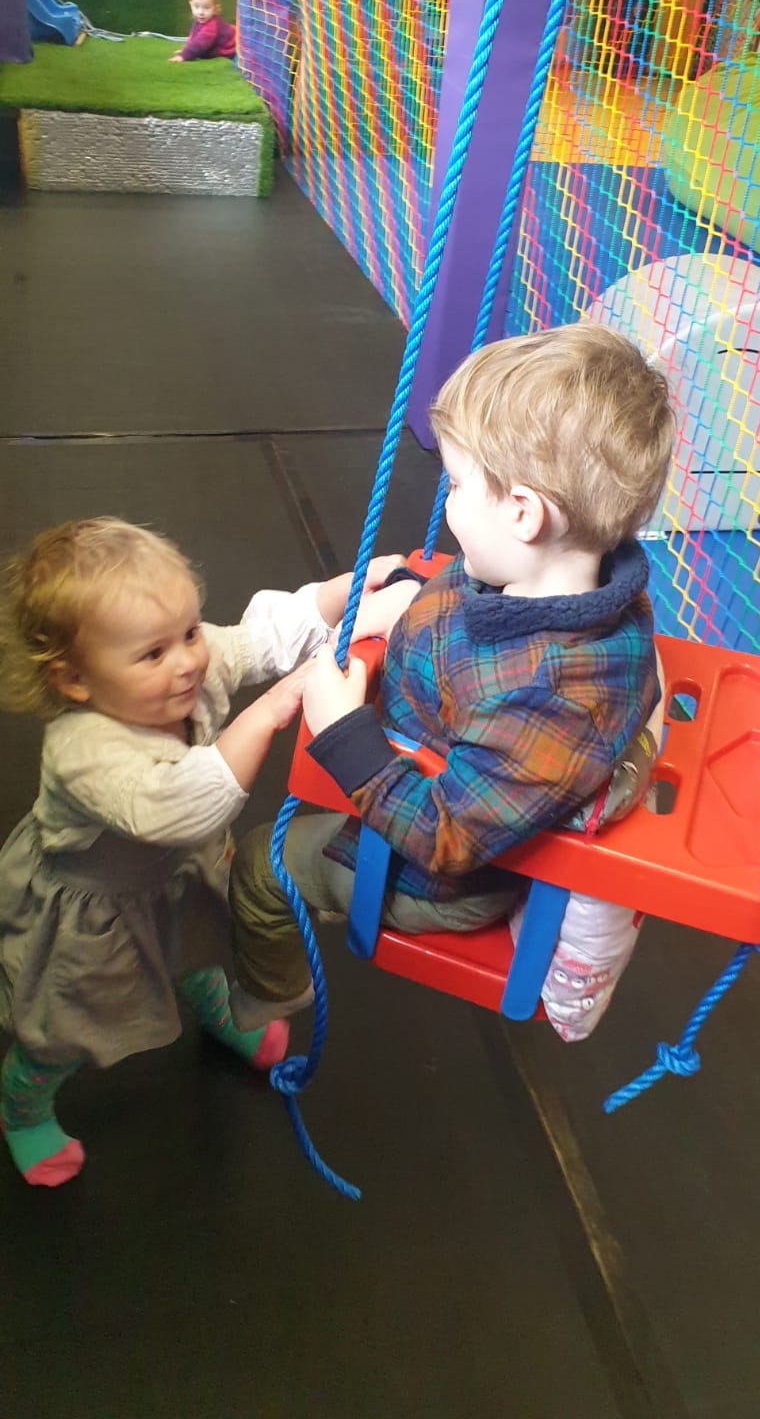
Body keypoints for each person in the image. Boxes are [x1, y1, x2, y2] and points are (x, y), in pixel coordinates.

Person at [227, 323, 675, 1032]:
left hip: (442, 878)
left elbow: (445, 837)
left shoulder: (551, 697)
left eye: (458, 485)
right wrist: (411, 595)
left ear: (523, 513)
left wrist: (344, 735)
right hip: (456, 760)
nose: (447, 503)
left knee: (259, 865)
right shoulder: (583, 582)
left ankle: (262, 1003)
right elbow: (474, 607)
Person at [0, 517, 402, 1186]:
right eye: (153, 653)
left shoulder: (186, 664)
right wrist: (266, 713)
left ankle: (217, 1014)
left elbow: (256, 639)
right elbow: (179, 805)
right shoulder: (82, 750)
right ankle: (23, 1105)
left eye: (188, 632)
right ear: (74, 679)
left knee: (199, 945)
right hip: (95, 917)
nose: (188, 659)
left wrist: (346, 592)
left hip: (179, 877)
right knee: (65, 1028)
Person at [169, 0, 236, 64]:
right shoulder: (199, 20)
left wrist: (185, 55)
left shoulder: (211, 26)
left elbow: (200, 43)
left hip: (233, 46)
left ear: (215, 9)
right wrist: (186, 49)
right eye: (196, 6)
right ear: (191, 5)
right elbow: (194, 36)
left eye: (206, 8)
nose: (200, 12)